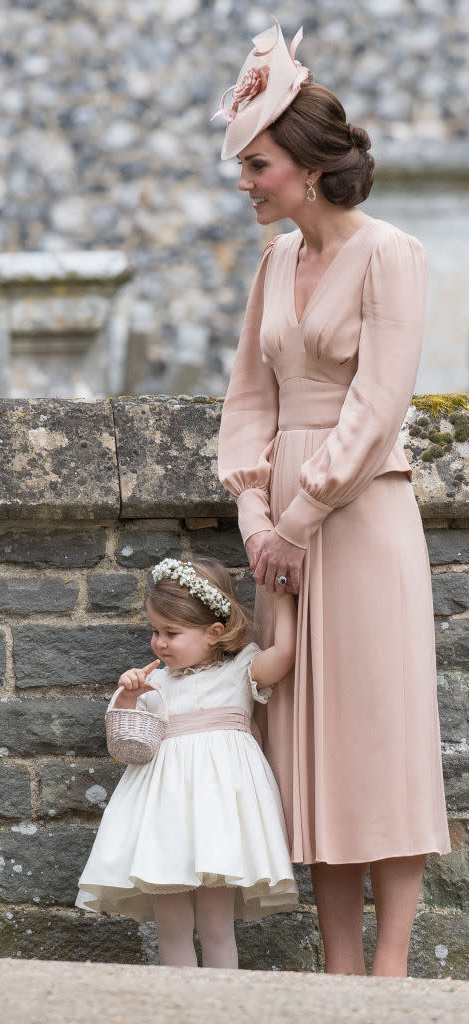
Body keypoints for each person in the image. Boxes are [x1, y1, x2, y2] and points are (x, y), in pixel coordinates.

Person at [215, 19, 450, 977]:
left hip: (360, 523)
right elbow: (245, 399)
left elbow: (377, 404)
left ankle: (390, 970)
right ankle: (338, 969)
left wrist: (300, 518)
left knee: (380, 740)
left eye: (256, 164)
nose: (244, 183)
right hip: (282, 531)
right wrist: (255, 517)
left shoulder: (390, 254)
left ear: (306, 167)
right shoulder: (273, 264)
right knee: (307, 747)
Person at [76, 557, 298, 969]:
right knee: (172, 927)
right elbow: (128, 743)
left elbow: (284, 654)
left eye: (171, 633)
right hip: (164, 815)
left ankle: (219, 1009)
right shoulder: (155, 683)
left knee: (217, 927)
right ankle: (178, 1008)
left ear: (214, 633)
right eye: (155, 631)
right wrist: (128, 696)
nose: (159, 642)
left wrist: (281, 592)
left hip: (220, 815)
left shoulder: (240, 668)